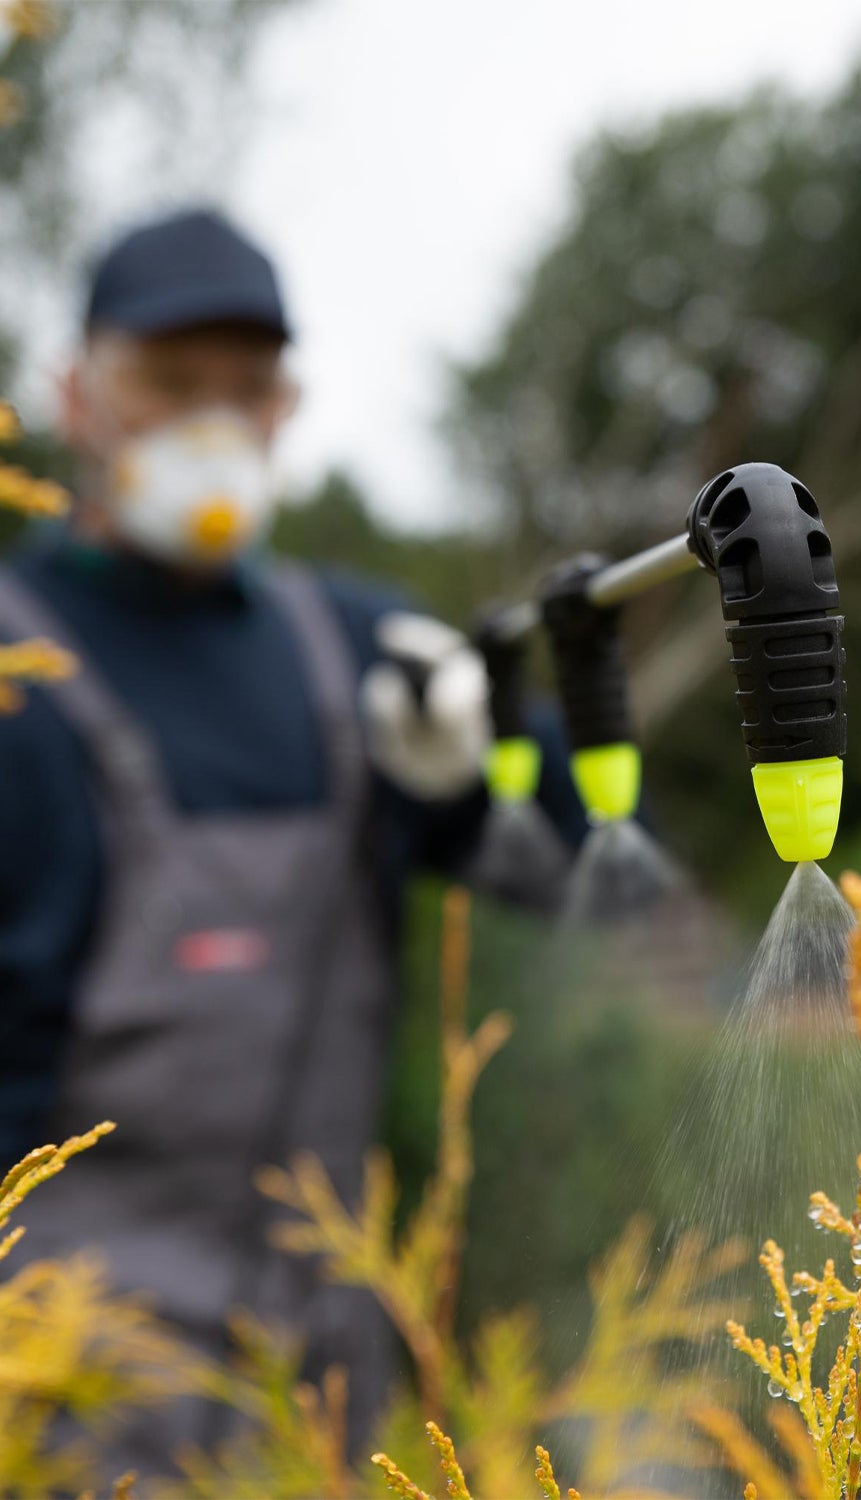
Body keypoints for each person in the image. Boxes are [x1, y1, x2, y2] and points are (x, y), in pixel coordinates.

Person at [0, 207, 577, 1475]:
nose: (210, 424)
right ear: (76, 393)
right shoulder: (15, 675)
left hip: (322, 1381)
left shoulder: (360, 652)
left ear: (288, 405)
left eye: (246, 389)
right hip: (64, 1381)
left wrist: (483, 774)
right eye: (166, 383)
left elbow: (590, 860)